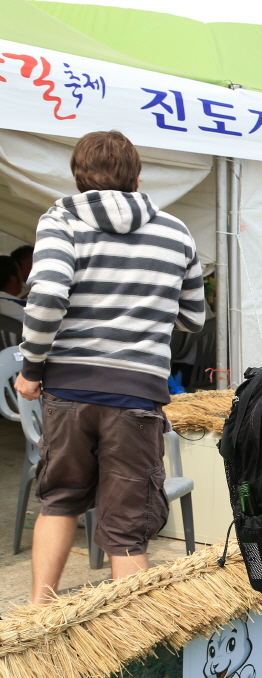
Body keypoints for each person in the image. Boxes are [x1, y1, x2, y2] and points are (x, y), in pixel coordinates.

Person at [16, 130, 206, 604]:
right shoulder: (174, 231)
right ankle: (132, 646)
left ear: (78, 177)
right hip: (137, 396)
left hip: (70, 391)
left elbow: (46, 298)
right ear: (138, 177)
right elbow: (193, 317)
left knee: (59, 500)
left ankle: (40, 616)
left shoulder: (61, 220)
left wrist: (32, 370)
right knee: (126, 528)